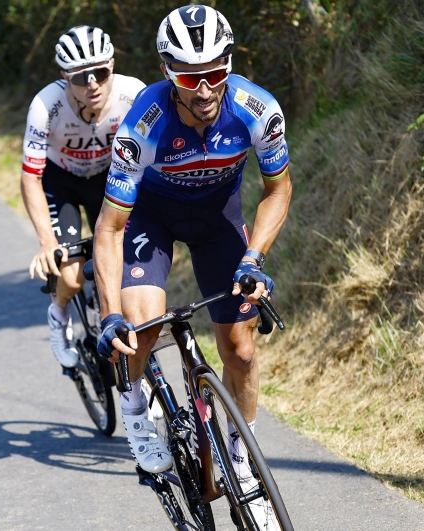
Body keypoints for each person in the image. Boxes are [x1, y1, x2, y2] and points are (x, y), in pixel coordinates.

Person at [94, 5, 291, 527]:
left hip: (218, 219)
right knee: (142, 327)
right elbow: (110, 228)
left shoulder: (257, 108)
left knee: (242, 349)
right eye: (189, 76)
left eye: (215, 74)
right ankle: (136, 409)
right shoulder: (142, 124)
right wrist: (110, 312)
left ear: (229, 63)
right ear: (166, 72)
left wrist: (254, 257)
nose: (204, 90)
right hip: (150, 220)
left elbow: (278, 189)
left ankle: (240, 455)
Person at [21, 26, 145, 370]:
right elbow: (30, 176)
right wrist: (47, 242)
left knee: (125, 265)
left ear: (113, 66)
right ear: (65, 77)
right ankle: (59, 315)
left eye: (100, 72)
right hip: (62, 183)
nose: (92, 83)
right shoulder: (46, 105)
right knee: (73, 275)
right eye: (80, 77)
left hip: (109, 179)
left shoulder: (133, 93)